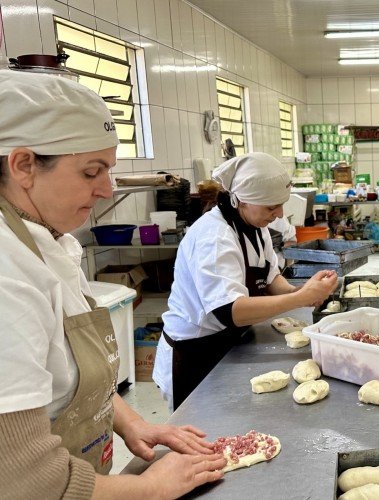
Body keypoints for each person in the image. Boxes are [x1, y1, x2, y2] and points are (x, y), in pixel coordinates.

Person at [0, 70, 225, 498]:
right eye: (91, 172)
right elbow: (21, 478)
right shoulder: (6, 272)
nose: (106, 190)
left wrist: (132, 422)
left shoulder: (47, 242)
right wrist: (151, 489)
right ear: (24, 165)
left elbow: (66, 377)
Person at [153, 152, 338, 409]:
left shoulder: (255, 226)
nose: (279, 213)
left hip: (230, 343)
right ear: (240, 200)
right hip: (196, 353)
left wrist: (304, 291)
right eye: (271, 207)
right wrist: (298, 299)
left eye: (281, 204)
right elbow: (229, 311)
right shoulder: (215, 237)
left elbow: (270, 278)